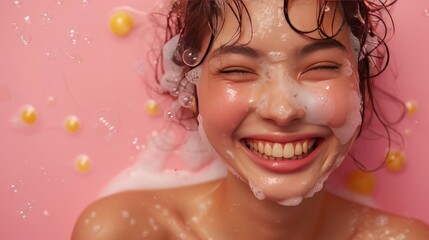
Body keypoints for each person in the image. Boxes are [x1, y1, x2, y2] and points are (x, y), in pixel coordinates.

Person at [72, 0, 429, 239]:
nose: (282, 109)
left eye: (319, 67)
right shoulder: (125, 232)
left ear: (359, 81)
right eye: (238, 70)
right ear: (191, 89)